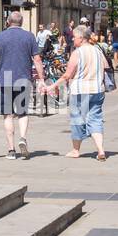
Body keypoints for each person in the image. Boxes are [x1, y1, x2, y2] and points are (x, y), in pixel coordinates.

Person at [44, 26, 108, 161]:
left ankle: (75, 150)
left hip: (81, 91)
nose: (73, 39)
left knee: (77, 120)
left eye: (74, 36)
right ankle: (101, 150)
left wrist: (53, 86)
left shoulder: (77, 53)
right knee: (95, 119)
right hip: (97, 89)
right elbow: (105, 67)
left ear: (81, 38)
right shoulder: (98, 51)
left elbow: (67, 75)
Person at [0, 12, 45, 160]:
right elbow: (37, 60)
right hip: (23, 78)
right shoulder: (29, 36)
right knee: (23, 113)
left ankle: (11, 151)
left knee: (8, 115)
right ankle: (23, 138)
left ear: (7, 21)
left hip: (4, 79)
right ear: (22, 22)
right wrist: (42, 79)